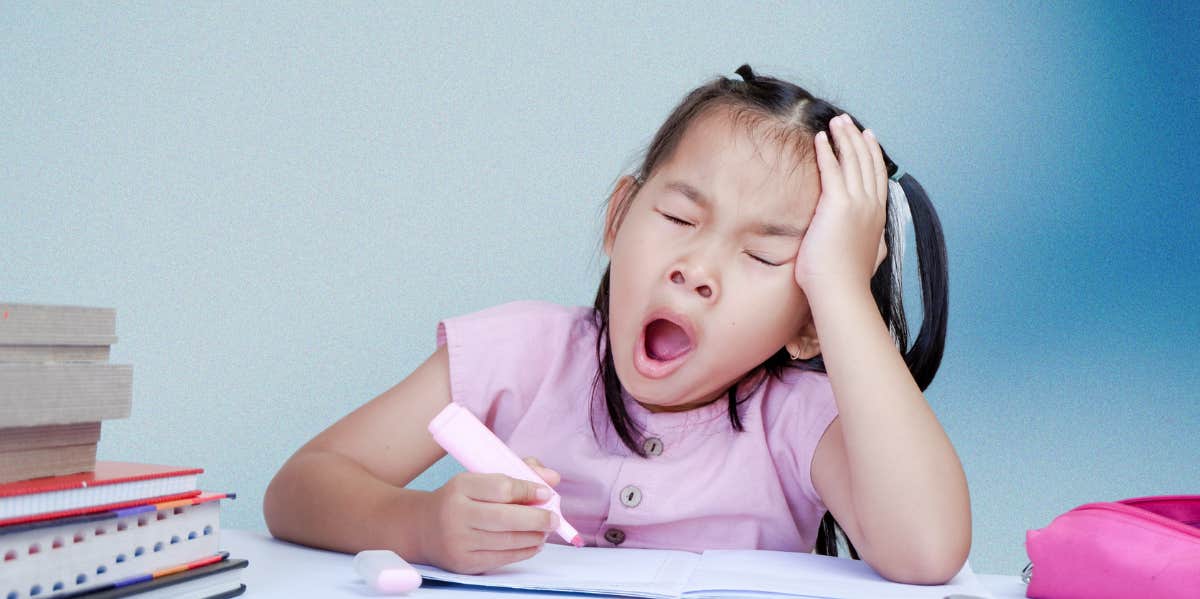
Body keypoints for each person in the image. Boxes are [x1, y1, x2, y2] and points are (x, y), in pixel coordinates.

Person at [263, 64, 971, 585]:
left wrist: (843, 290)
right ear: (618, 217)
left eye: (763, 253)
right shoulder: (521, 353)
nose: (697, 267)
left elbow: (929, 547)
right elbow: (299, 487)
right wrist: (421, 527)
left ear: (812, 321)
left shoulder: (799, 421)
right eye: (679, 218)